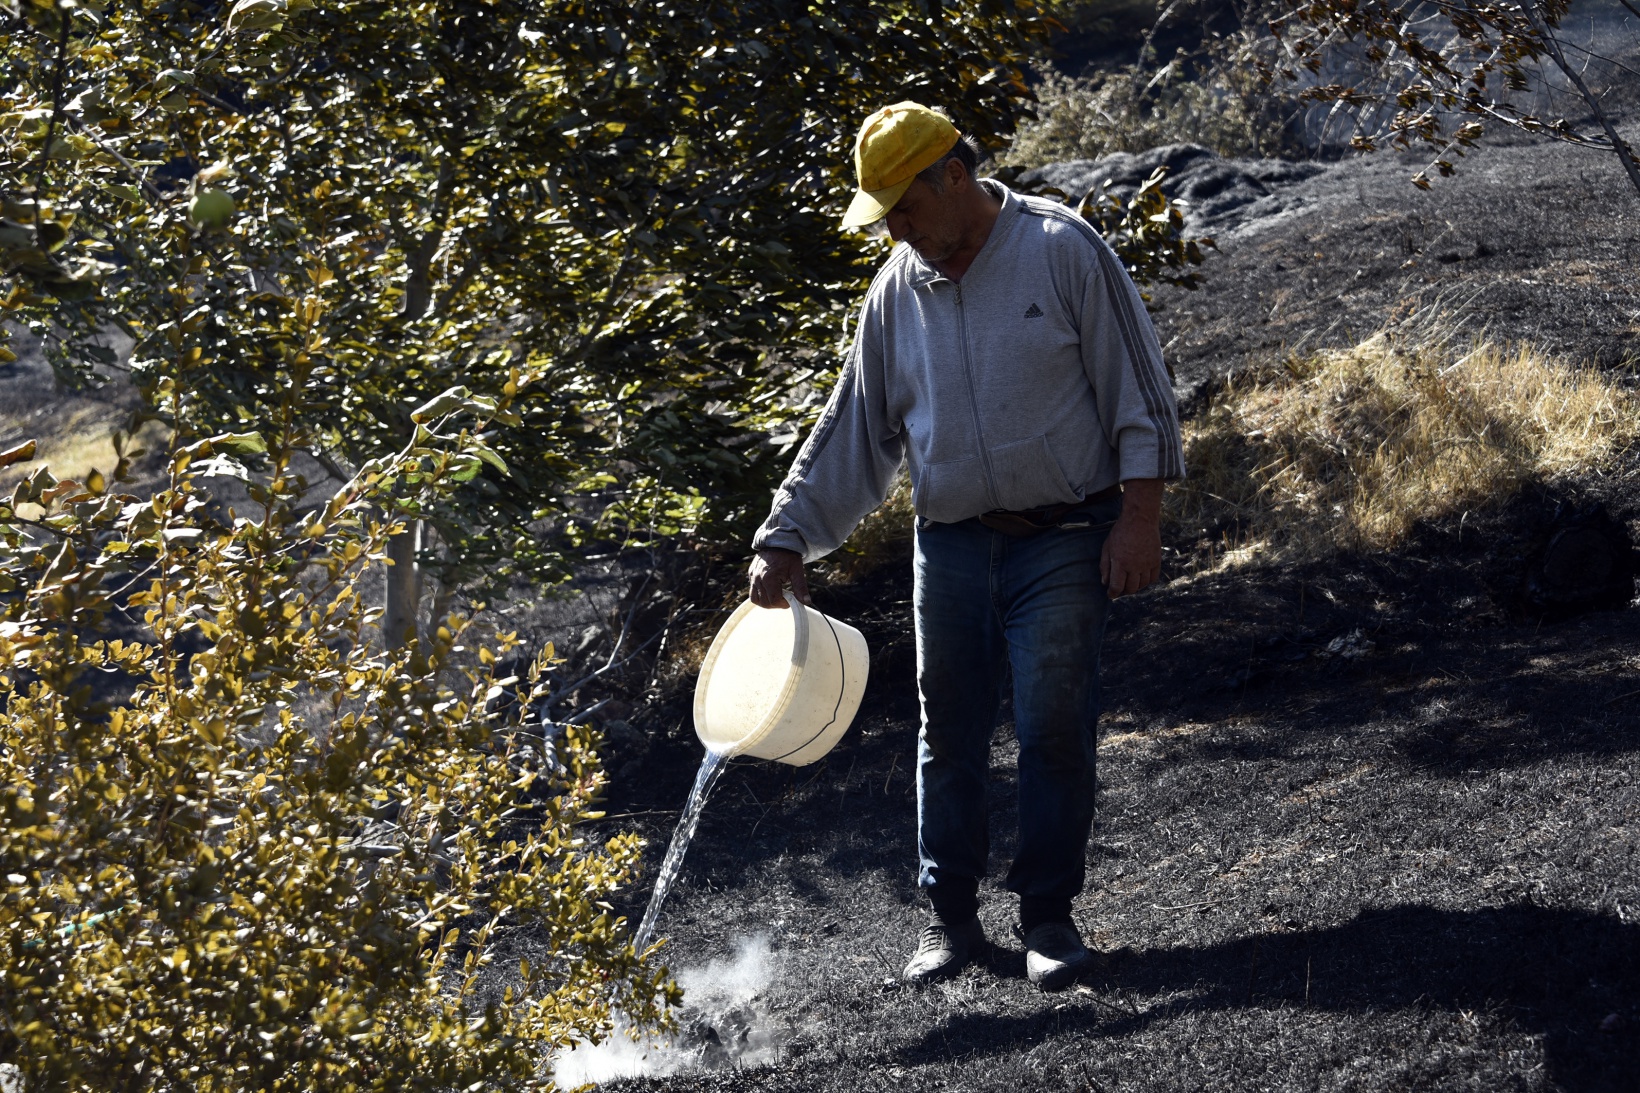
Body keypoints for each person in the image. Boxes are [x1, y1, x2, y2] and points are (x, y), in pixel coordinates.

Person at [746, 102, 1184, 991]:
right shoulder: (896, 291)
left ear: (953, 175)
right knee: (945, 734)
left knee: (1053, 726)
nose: (898, 233)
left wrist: (1140, 517)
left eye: (903, 210)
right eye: (886, 219)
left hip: (1065, 535)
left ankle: (1049, 918)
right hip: (946, 547)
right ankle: (948, 922)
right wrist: (786, 533)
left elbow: (1138, 386)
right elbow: (853, 426)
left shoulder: (1063, 249)